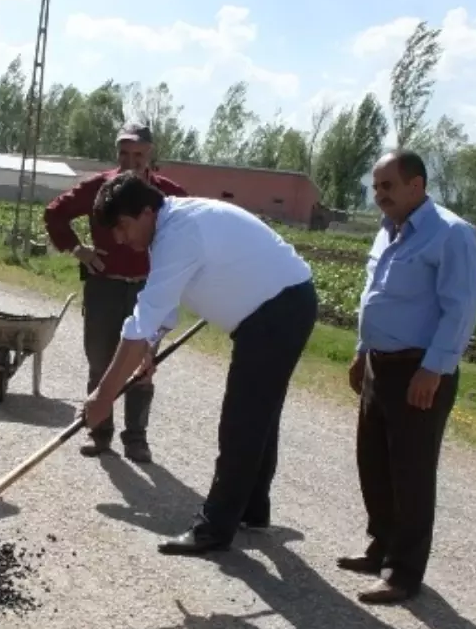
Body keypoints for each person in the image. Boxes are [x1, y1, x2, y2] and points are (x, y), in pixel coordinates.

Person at [82, 172, 318, 555]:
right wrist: (149, 352)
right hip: (281, 305)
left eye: (123, 227)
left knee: (242, 419)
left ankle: (214, 530)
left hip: (279, 311)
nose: (122, 238)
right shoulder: (170, 228)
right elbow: (160, 313)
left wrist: (103, 396)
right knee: (260, 414)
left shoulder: (179, 233)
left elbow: (141, 323)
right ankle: (253, 510)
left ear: (145, 211)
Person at [338, 149, 476, 605]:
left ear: (417, 185)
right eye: (376, 187)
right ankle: (381, 547)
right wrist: (363, 351)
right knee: (374, 463)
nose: (379, 195)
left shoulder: (451, 235)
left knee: (411, 474)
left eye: (388, 186)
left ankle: (404, 572)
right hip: (380, 363)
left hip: (419, 370)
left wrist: (434, 369)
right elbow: (375, 295)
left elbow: (460, 309)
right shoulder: (387, 231)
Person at [44, 123, 187, 463]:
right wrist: (79, 250)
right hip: (104, 285)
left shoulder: (168, 194)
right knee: (100, 358)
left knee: (142, 362)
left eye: (138, 154)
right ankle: (99, 431)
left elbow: (187, 232)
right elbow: (55, 213)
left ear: (149, 154)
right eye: (124, 153)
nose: (130, 161)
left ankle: (136, 437)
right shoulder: (99, 187)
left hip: (147, 287)